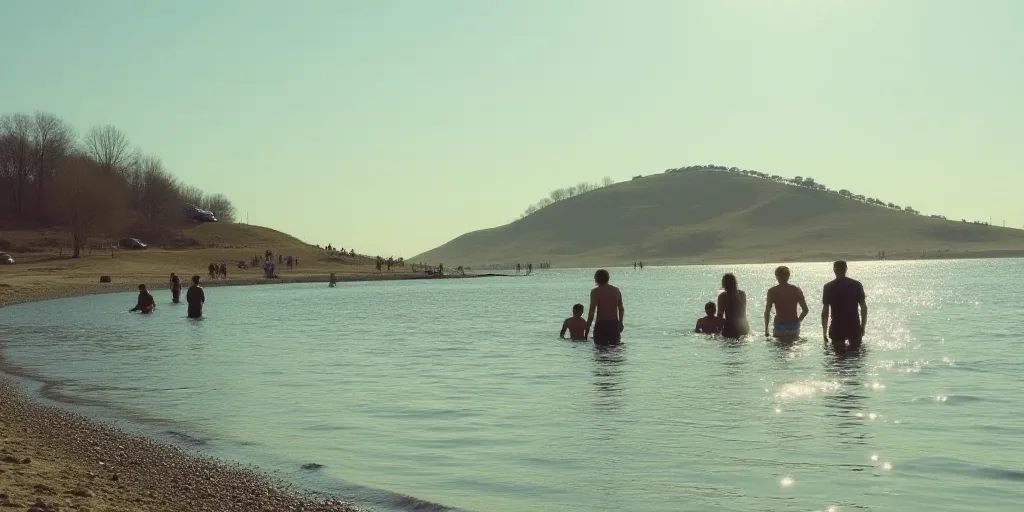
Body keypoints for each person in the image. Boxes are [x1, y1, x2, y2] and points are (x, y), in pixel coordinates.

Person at [822, 261, 867, 352]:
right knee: (856, 357)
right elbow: (864, 308)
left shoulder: (828, 287)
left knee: (838, 358)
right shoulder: (856, 285)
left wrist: (824, 332)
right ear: (846, 269)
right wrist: (862, 326)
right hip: (853, 324)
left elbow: (825, 313)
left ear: (834, 270)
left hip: (837, 325)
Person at [764, 266, 809, 341]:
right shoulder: (796, 290)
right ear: (788, 276)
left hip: (779, 327)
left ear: (776, 277)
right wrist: (798, 321)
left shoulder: (772, 291)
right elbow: (805, 310)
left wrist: (766, 329)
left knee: (780, 350)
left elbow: (767, 312)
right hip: (793, 327)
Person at [585, 269, 624, 346]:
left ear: (596, 279)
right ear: (608, 278)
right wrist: (621, 322)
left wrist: (588, 327)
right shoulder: (616, 290)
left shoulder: (595, 292)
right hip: (614, 323)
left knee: (600, 350)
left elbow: (592, 311)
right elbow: (621, 308)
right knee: (615, 350)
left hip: (601, 324)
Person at [717, 273, 749, 338]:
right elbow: (743, 312)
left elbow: (720, 315)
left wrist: (719, 330)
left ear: (724, 283)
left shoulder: (723, 296)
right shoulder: (742, 294)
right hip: (743, 326)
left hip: (729, 327)